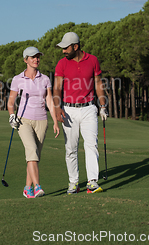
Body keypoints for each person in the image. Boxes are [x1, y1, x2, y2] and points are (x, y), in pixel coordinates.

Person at [52, 32, 108, 194]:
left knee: (91, 145)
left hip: (89, 108)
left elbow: (98, 83)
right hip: (68, 110)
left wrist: (102, 105)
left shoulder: (93, 60)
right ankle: (73, 183)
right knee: (71, 148)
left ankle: (92, 182)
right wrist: (57, 107)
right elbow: (57, 87)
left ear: (75, 47)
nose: (63, 51)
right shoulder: (62, 64)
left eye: (66, 48)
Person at [7, 46, 60, 199]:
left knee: (34, 156)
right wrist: (12, 116)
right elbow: (11, 102)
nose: (36, 59)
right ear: (25, 60)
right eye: (33, 57)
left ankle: (27, 188)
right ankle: (37, 187)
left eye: (38, 57)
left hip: (42, 120)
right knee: (31, 152)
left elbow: (49, 100)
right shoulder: (18, 79)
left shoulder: (45, 79)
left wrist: (55, 121)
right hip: (24, 121)